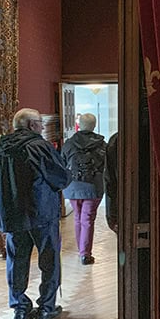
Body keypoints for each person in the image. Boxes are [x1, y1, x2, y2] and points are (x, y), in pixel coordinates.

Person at [0, 108, 71, 319]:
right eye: (40, 124)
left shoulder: (1, 149)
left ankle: (20, 310)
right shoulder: (39, 147)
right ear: (32, 125)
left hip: (12, 215)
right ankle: (46, 307)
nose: (43, 128)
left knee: (16, 261)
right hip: (41, 213)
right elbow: (60, 177)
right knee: (49, 260)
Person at [62, 113, 107, 264]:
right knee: (87, 219)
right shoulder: (101, 144)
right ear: (94, 125)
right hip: (93, 186)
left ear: (79, 125)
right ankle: (85, 253)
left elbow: (62, 163)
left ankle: (81, 250)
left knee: (77, 217)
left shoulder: (68, 143)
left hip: (72, 186)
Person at [104, 132, 119, 234]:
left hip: (120, 200)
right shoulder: (115, 141)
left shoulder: (116, 140)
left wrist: (112, 216)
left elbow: (110, 180)